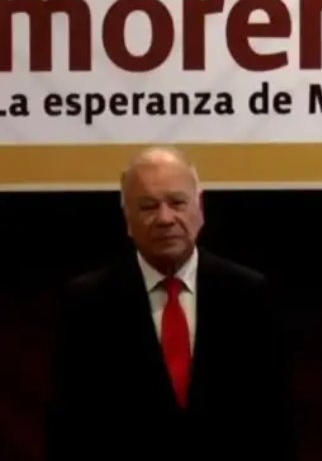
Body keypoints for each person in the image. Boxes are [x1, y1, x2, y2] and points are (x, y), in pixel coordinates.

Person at [47, 147, 294, 461]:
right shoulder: (87, 303)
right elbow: (69, 429)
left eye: (177, 203)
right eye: (148, 206)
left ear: (199, 209)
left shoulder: (249, 294)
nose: (165, 219)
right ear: (127, 219)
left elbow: (275, 422)